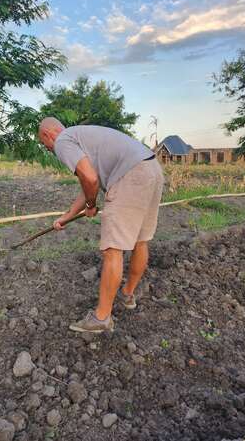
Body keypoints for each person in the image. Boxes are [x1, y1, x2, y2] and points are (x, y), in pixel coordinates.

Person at [38, 117, 164, 333]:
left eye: (45, 144)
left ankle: (101, 318)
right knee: (140, 241)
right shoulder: (83, 137)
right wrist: (66, 217)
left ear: (48, 134)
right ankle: (127, 295)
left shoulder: (63, 141)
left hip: (130, 175)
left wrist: (91, 204)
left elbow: (90, 179)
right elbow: (87, 182)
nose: (48, 149)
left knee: (112, 249)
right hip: (152, 170)